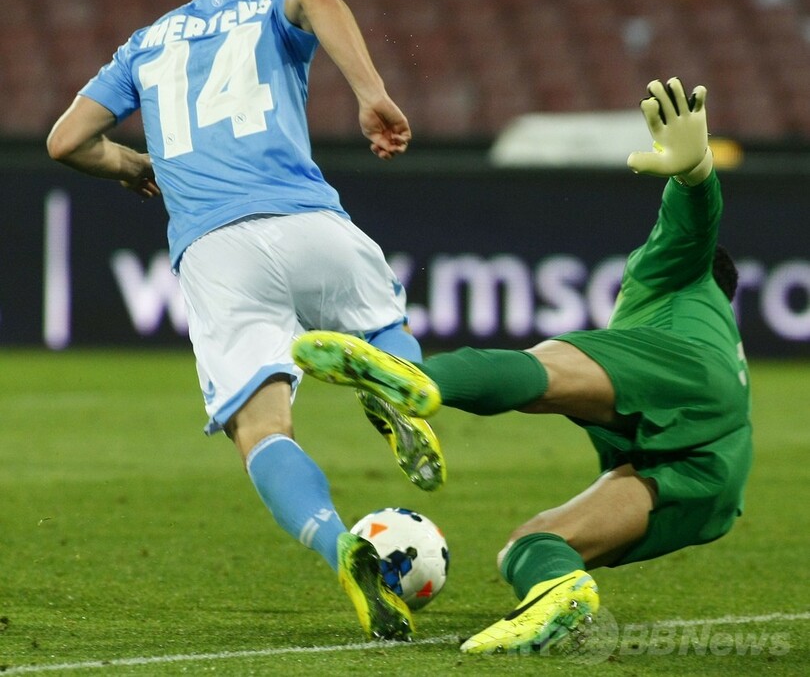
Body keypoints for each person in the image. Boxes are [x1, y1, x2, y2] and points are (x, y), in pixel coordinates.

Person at [46, 0, 446, 642]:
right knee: (385, 322)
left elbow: (65, 140)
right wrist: (370, 94)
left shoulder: (144, 43)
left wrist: (131, 164)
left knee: (260, 429)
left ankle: (340, 547)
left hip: (215, 251)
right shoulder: (270, 8)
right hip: (308, 220)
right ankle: (396, 387)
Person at [291, 77, 754, 654]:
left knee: (545, 372)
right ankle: (559, 592)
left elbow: (691, 223)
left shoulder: (672, 276)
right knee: (530, 544)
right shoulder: (725, 339)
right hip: (716, 476)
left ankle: (422, 379)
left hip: (687, 377)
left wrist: (696, 174)